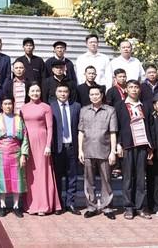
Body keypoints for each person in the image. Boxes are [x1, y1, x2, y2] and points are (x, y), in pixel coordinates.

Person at [116, 80, 156, 219]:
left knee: (140, 179)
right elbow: (118, 126)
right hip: (127, 145)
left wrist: (151, 147)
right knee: (127, 178)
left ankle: (139, 207)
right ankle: (128, 207)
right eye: (131, 87)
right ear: (126, 89)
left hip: (142, 145)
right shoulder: (120, 105)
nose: (134, 90)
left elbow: (151, 126)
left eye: (136, 87)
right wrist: (118, 144)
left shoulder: (145, 105)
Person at [78, 85, 118, 220]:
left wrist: (113, 151)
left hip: (105, 150)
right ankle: (91, 206)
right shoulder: (84, 110)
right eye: (92, 94)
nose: (94, 96)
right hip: (87, 149)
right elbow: (81, 131)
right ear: (89, 96)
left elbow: (112, 132)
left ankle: (107, 207)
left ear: (102, 95)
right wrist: (80, 150)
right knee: (89, 180)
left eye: (97, 94)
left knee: (106, 180)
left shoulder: (110, 111)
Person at [21, 82, 61, 215]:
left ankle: (44, 205)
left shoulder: (46, 107)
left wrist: (48, 145)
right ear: (28, 93)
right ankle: (30, 205)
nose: (35, 93)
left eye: (37, 91)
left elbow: (50, 127)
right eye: (32, 91)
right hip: (27, 143)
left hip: (42, 142)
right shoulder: (23, 108)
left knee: (42, 173)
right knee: (30, 174)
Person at [0, 95, 30, 218]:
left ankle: (16, 205)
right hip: (1, 151)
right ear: (1, 106)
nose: (8, 106)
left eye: (10, 104)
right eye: (5, 104)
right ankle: (2, 205)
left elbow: (24, 138)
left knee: (16, 178)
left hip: (16, 151)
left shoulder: (19, 119)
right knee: (2, 179)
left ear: (13, 105)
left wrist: (24, 155)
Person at [50, 82, 82, 215]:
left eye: (65, 91)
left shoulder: (76, 107)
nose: (63, 94)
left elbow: (80, 128)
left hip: (72, 147)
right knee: (57, 177)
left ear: (69, 93)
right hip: (57, 148)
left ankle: (70, 203)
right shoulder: (50, 106)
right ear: (56, 93)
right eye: (60, 91)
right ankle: (59, 203)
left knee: (72, 176)